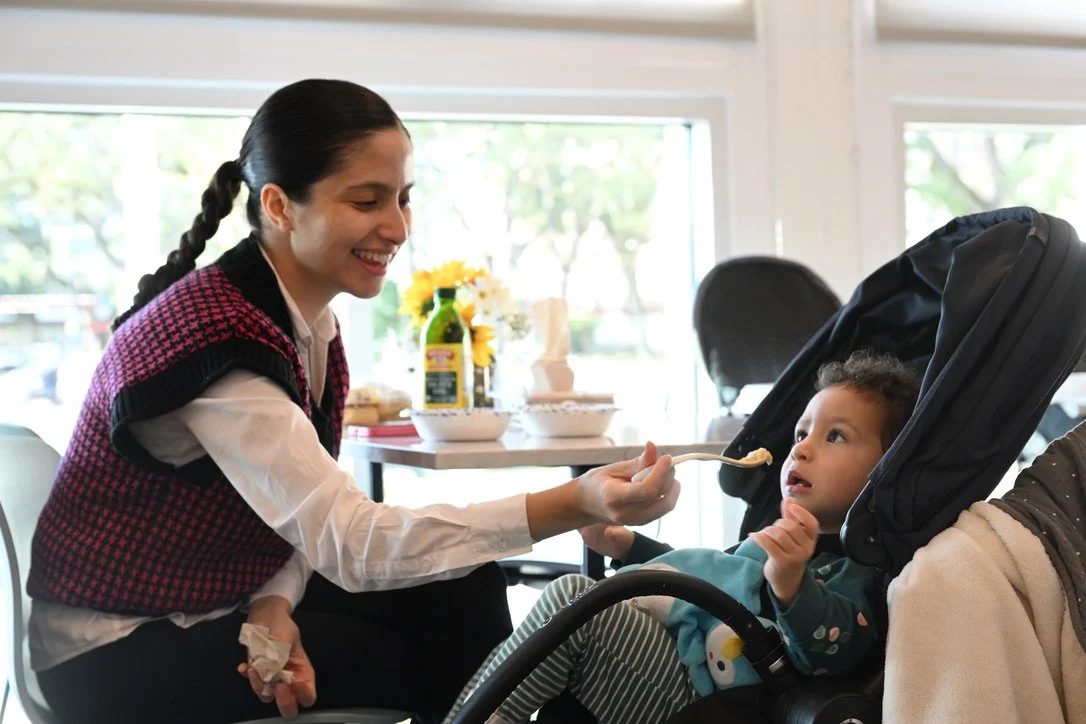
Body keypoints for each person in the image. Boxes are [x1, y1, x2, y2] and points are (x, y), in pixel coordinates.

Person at [25, 78, 680, 724]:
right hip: (115, 655)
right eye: (367, 201)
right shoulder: (221, 348)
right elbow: (351, 542)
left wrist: (273, 605)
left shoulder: (303, 327)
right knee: (431, 654)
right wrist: (574, 502)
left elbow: (299, 521)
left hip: (212, 602)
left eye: (403, 198)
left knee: (467, 583)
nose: (396, 227)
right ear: (280, 207)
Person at [444, 350, 921, 724]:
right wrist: (628, 547)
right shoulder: (774, 540)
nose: (802, 449)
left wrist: (793, 586)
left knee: (576, 602)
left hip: (706, 704)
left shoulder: (860, 569)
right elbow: (711, 578)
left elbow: (834, 651)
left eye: (835, 436)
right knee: (576, 606)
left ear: (888, 468)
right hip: (677, 671)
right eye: (801, 433)